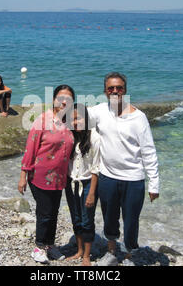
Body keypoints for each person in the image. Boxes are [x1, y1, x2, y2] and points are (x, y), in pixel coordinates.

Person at [88, 72, 160, 266]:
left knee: (131, 221)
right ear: (105, 91)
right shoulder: (100, 111)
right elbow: (75, 118)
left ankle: (130, 254)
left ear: (125, 91)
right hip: (107, 177)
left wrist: (154, 184)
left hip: (133, 179)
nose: (115, 91)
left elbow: (149, 152)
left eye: (119, 88)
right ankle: (111, 251)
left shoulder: (139, 117)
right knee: (109, 218)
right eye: (111, 88)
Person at [18, 85, 75, 264]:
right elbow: (30, 149)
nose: (64, 101)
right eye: (60, 97)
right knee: (45, 213)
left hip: (60, 178)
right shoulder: (42, 121)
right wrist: (23, 176)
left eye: (68, 98)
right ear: (53, 100)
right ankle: (39, 247)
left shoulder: (71, 122)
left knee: (54, 212)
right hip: (40, 177)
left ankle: (50, 246)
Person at [65, 103, 100, 266]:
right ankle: (79, 251)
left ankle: (87, 256)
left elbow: (96, 168)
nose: (75, 122)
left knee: (87, 220)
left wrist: (92, 192)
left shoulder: (94, 137)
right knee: (76, 218)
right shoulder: (70, 137)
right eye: (72, 119)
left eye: (78, 118)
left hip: (88, 184)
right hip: (71, 183)